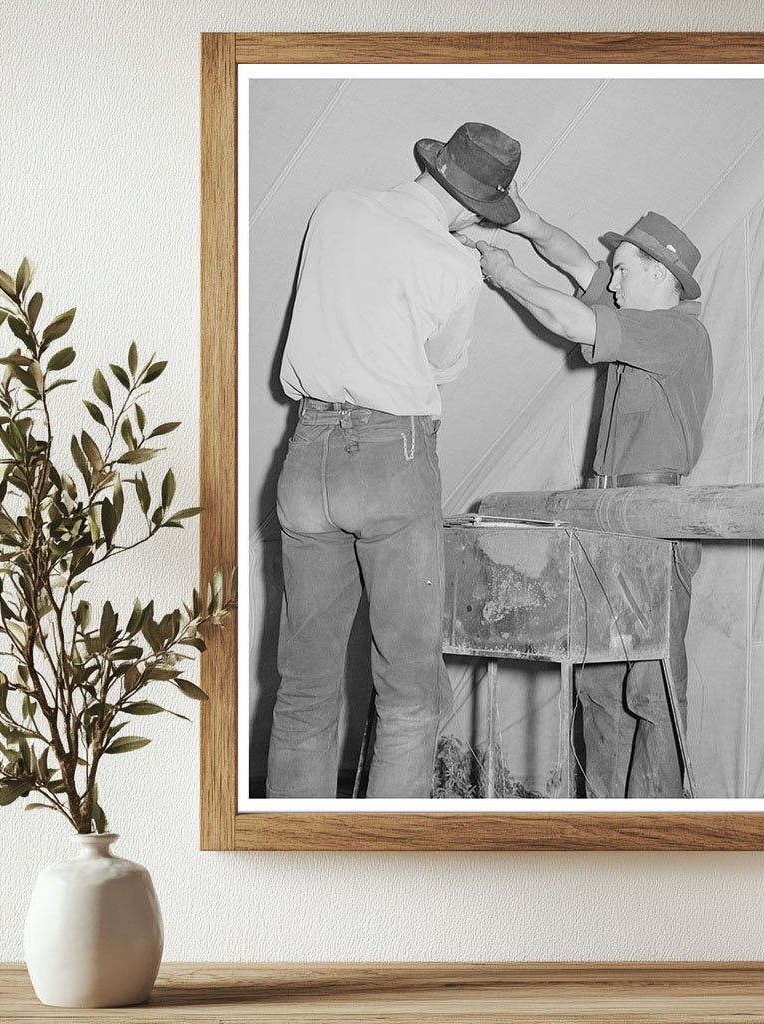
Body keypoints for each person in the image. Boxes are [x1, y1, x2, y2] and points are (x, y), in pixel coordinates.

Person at [266, 123, 521, 799]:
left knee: (305, 686)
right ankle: (386, 871)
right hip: (391, 458)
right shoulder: (454, 265)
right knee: (408, 691)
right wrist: (457, 260)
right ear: (473, 208)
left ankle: (298, 865)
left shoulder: (337, 206)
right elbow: (444, 366)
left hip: (307, 453)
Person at [475, 189, 712, 798]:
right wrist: (520, 220)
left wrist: (504, 274)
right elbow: (575, 258)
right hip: (604, 519)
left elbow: (571, 318)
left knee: (650, 689)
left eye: (625, 272)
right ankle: (604, 820)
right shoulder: (641, 320)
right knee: (599, 685)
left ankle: (659, 828)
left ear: (660, 274)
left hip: (652, 523)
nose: (611, 285)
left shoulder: (675, 334)